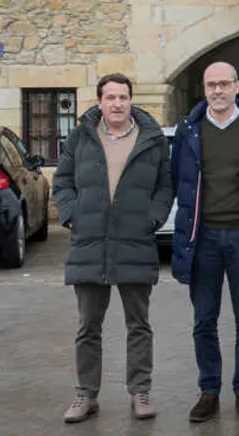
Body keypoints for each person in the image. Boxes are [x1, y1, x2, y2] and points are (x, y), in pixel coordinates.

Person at [54, 73, 174, 423]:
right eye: (111, 98)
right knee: (88, 325)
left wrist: (152, 218)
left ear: (131, 100)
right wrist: (71, 214)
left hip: (135, 240)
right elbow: (62, 181)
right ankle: (85, 394)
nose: (117, 104)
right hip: (89, 241)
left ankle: (140, 391)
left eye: (123, 97)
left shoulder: (152, 140)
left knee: (139, 324)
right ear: (100, 101)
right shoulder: (80, 138)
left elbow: (165, 187)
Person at [170, 62, 239, 423]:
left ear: (237, 86)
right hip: (202, 238)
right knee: (204, 319)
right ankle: (209, 390)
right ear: (204, 90)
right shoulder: (189, 130)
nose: (217, 91)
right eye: (210, 85)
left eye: (224, 84)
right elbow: (179, 180)